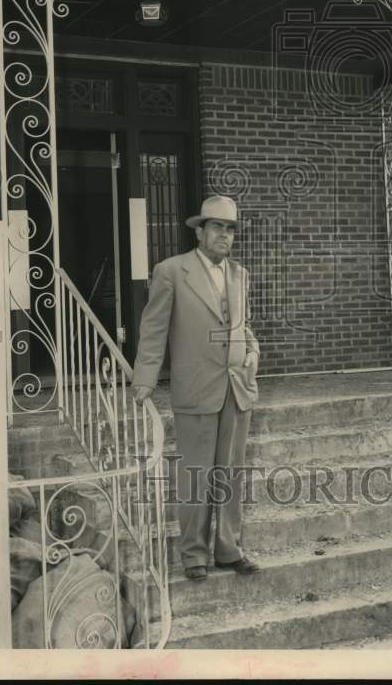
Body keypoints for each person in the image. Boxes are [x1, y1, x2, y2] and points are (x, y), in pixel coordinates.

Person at [131, 195, 261, 580]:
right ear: (200, 231)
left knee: (231, 473)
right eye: (217, 227)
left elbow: (244, 326)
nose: (225, 235)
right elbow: (153, 328)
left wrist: (252, 353)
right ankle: (193, 554)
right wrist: (144, 378)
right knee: (195, 474)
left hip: (237, 387)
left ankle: (229, 549)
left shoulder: (240, 274)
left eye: (230, 229)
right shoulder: (172, 271)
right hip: (197, 388)